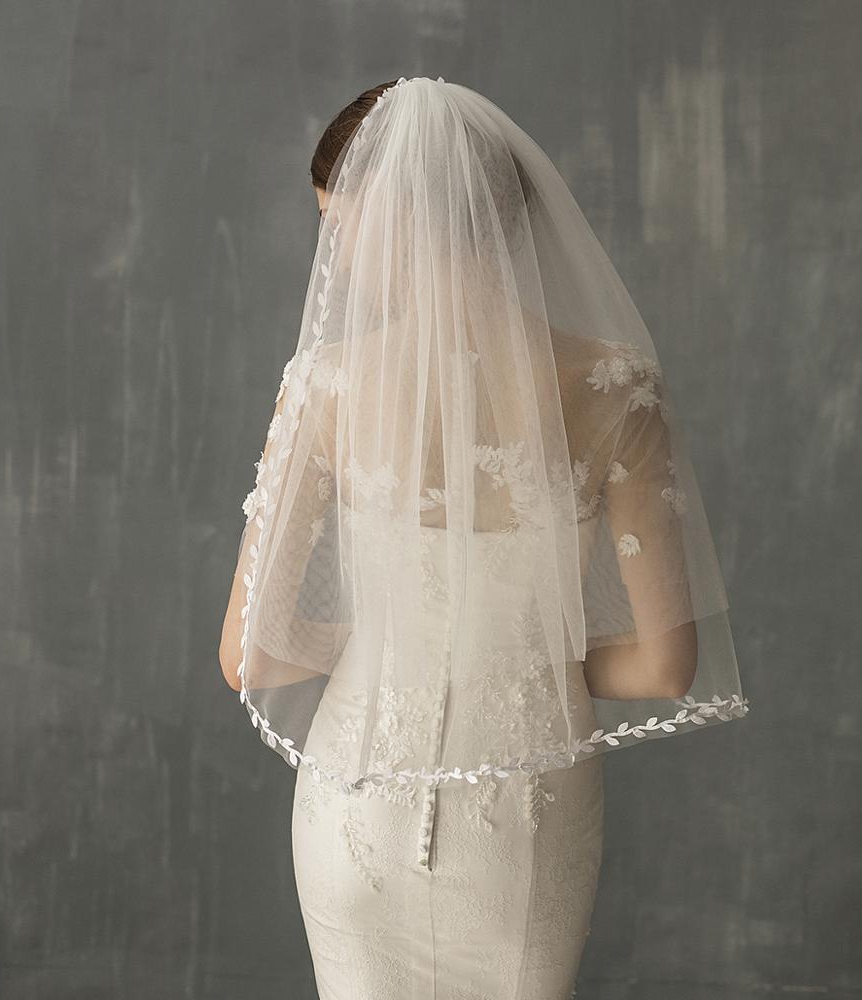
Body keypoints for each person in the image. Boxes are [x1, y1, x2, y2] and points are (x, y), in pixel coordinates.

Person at [218, 76, 749, 1000]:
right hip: (525, 815)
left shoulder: (324, 387)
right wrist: (518, 656)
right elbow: (666, 667)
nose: (334, 258)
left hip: (356, 800)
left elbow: (248, 654)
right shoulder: (615, 386)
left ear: (399, 221)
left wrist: (390, 644)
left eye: (338, 228)